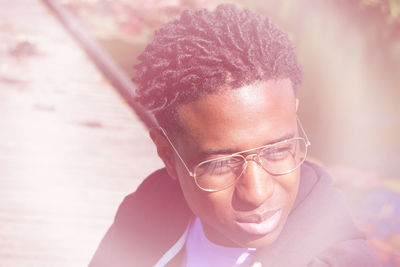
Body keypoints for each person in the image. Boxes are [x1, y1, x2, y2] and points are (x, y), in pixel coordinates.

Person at [89, 4, 381, 267]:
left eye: (278, 150)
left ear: (294, 119)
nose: (257, 193)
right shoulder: (148, 207)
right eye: (220, 164)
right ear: (168, 156)